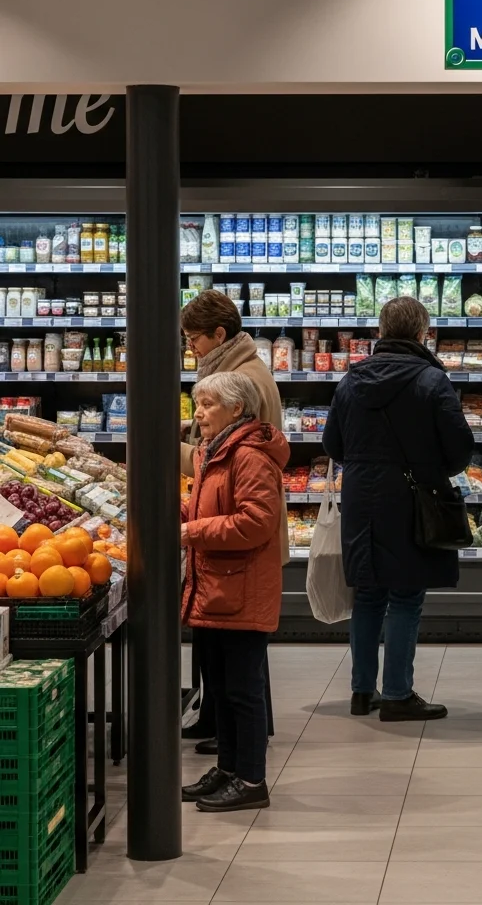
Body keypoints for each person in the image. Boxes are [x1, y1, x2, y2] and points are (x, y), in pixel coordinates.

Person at [323, 297, 475, 721]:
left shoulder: (350, 381)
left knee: (368, 594)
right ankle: (396, 695)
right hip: (410, 497)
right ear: (423, 333)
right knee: (406, 595)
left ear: (380, 332)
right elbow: (459, 447)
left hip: (361, 496)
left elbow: (332, 444)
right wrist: (431, 470)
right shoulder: (430, 380)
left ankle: (360, 691)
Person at [180, 290, 285, 753]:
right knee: (222, 657)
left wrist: (171, 454)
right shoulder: (232, 370)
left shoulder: (244, 381)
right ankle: (221, 731)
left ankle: (243, 750)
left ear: (218, 334)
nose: (191, 349)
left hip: (237, 551)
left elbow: (232, 465)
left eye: (194, 338)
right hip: (222, 544)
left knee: (241, 664)